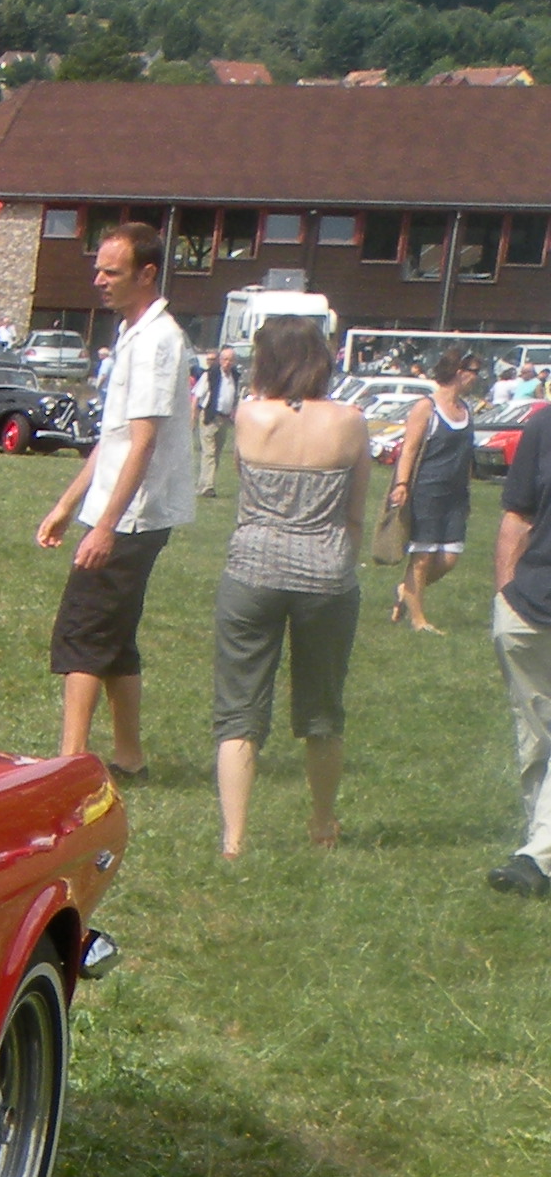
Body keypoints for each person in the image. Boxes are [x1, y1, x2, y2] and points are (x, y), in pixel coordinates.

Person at [37, 224, 195, 777]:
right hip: (119, 509)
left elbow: (145, 442)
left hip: (133, 517)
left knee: (83, 632)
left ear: (147, 274)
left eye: (112, 272)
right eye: (98, 269)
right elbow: (115, 438)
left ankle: (69, 765)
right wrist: (66, 503)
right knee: (117, 640)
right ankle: (128, 758)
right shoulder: (133, 332)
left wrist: (105, 526)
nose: (98, 281)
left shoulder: (157, 341)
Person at [211, 317, 367, 859]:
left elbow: (242, 488)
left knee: (239, 709)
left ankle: (234, 839)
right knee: (323, 708)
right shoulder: (351, 421)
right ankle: (323, 822)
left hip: (253, 566)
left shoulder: (249, 415)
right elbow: (355, 513)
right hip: (326, 572)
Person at [487, 381, 551, 895]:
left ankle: (536, 858)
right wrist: (504, 595)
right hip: (529, 612)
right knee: (534, 742)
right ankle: (540, 852)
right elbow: (517, 514)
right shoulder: (544, 425)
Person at [391, 347, 481, 634]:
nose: (477, 378)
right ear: (458, 372)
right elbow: (409, 449)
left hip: (456, 495)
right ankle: (419, 621)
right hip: (427, 491)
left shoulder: (465, 409)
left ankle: (405, 591)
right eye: (474, 372)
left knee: (449, 558)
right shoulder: (426, 408)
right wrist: (402, 485)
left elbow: (466, 455)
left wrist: (467, 489)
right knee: (423, 557)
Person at [193, 347, 234, 497]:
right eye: (225, 359)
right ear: (220, 360)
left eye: (230, 360)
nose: (227, 363)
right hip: (209, 417)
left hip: (224, 419)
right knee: (209, 452)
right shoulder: (210, 375)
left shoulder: (234, 376)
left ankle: (203, 484)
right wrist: (193, 417)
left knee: (216, 454)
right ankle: (208, 487)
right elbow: (197, 397)